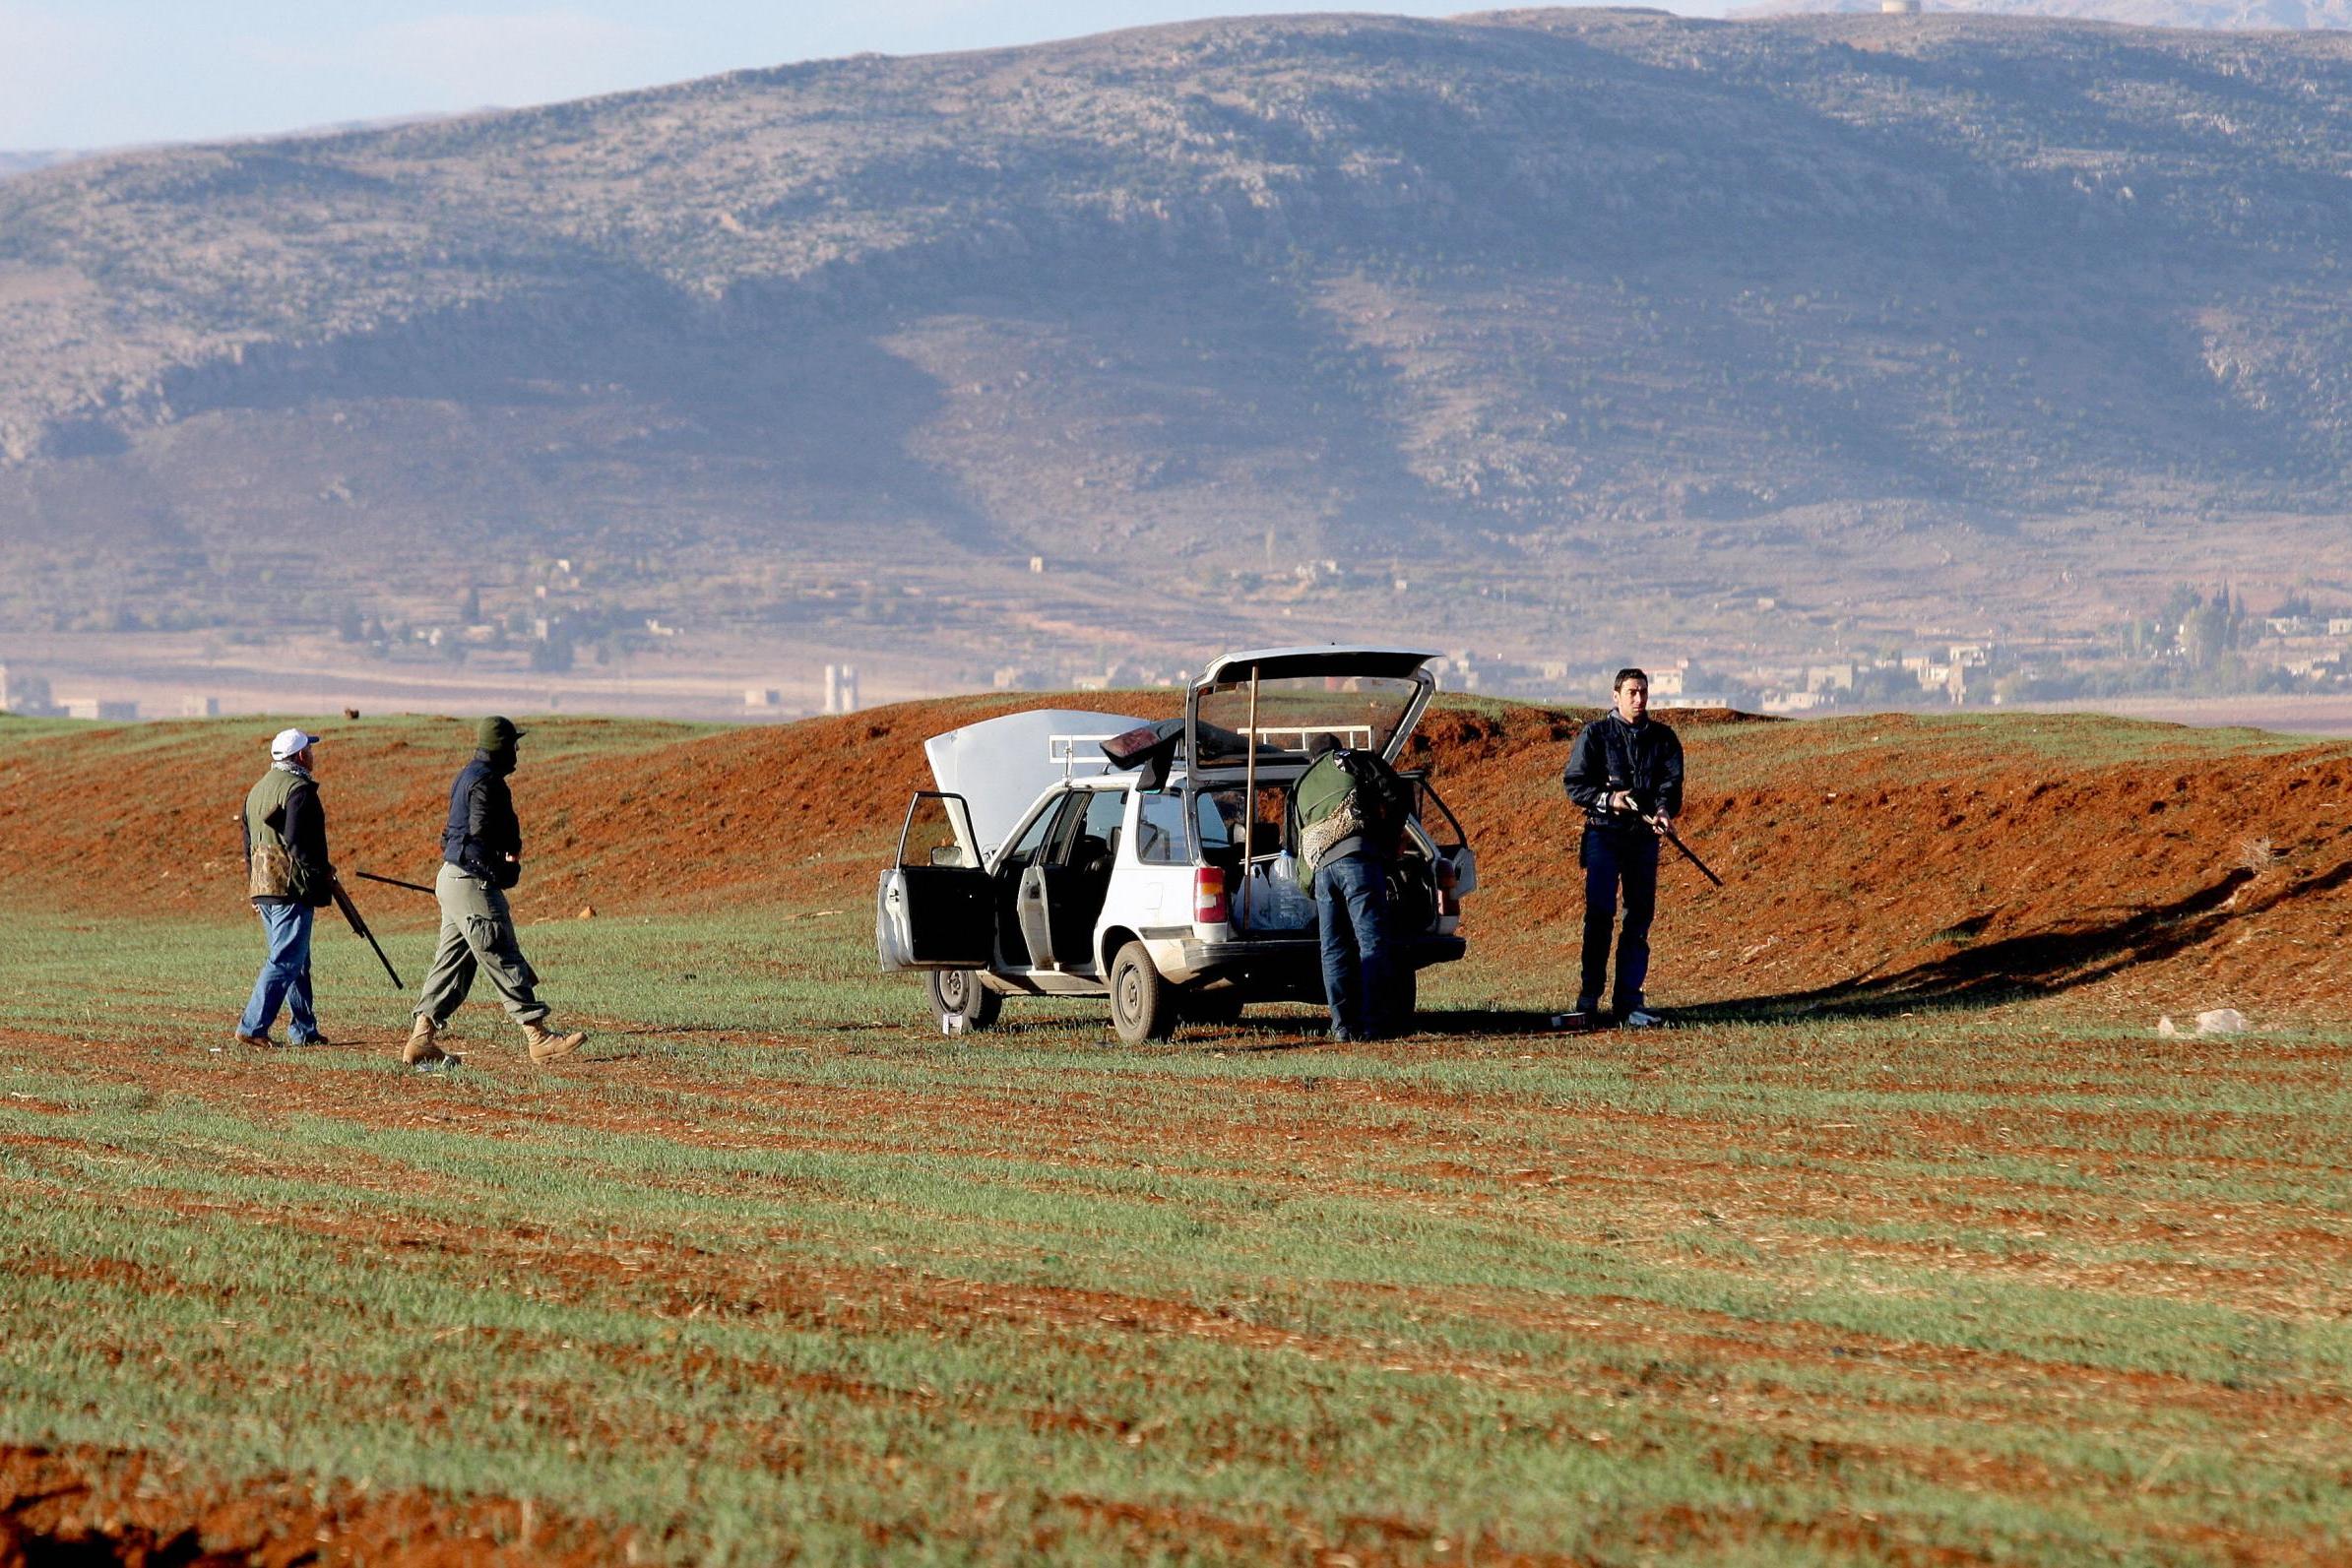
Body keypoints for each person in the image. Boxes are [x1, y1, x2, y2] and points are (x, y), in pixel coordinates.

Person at [404, 717, 586, 1068]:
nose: (517, 751)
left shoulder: (467, 776)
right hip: (472, 881)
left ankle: (421, 1038)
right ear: (501, 747)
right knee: (499, 949)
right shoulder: (487, 782)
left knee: (451, 963)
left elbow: (453, 834)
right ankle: (539, 1037)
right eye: (514, 745)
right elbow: (481, 832)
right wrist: (504, 867)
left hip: (452, 878)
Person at [1560, 668, 1685, 1028]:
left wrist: (1662, 811)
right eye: (1632, 692)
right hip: (1604, 834)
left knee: (1638, 918)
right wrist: (1610, 799)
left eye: (1643, 692)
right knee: (1600, 916)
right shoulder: (1596, 735)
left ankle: (1629, 1002)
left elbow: (1671, 785)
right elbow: (1575, 784)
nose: (1639, 699)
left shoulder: (1663, 738)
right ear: (1616, 696)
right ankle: (1588, 1000)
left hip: (1643, 840)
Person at [1293, 740, 1410, 1042]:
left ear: (1311, 758)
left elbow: (1293, 843)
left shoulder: (1300, 785)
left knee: (1332, 949)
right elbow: (1396, 790)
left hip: (1321, 872)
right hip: (1356, 859)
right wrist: (1388, 837)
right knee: (1371, 941)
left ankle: (1343, 1027)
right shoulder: (1349, 759)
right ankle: (1374, 1025)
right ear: (1336, 749)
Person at [236, 727, 335, 1047]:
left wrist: (253, 881)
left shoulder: (256, 790)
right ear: (300, 756)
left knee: (297, 958)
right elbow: (297, 841)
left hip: (264, 886)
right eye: (310, 750)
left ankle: (303, 1030)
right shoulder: (299, 790)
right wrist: (319, 872)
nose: (313, 755)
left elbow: (248, 842)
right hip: (289, 887)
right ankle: (253, 1028)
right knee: (286, 960)